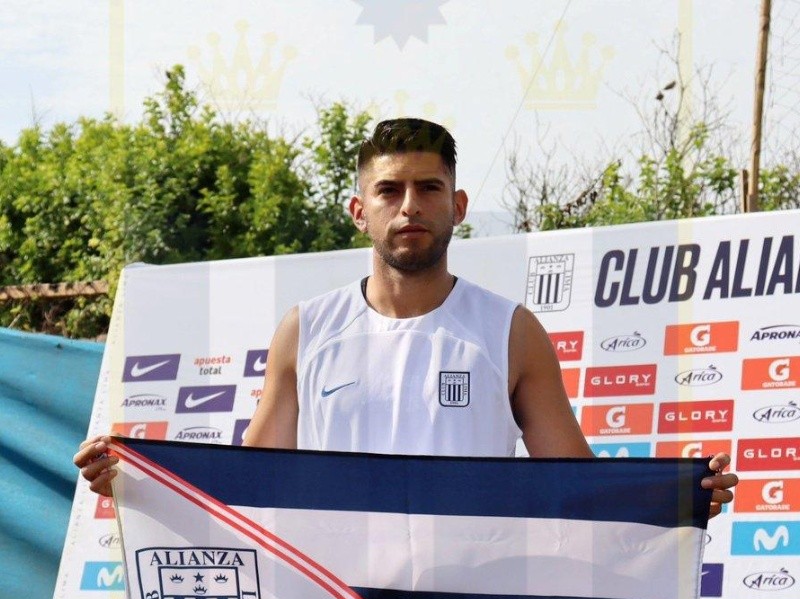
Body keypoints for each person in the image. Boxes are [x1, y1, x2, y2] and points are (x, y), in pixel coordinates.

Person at [74, 118, 737, 515]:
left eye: (430, 188)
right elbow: (254, 483)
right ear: (360, 210)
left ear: (460, 205)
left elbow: (573, 482)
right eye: (389, 190)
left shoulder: (511, 332)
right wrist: (140, 480)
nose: (410, 205)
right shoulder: (305, 329)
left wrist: (668, 502)